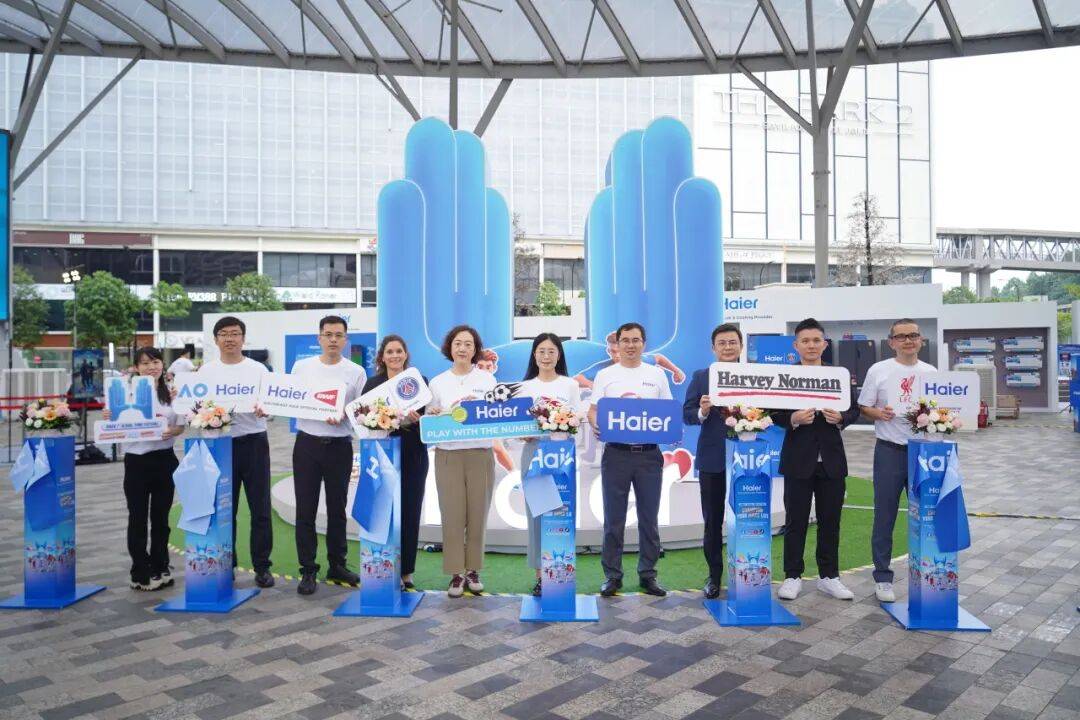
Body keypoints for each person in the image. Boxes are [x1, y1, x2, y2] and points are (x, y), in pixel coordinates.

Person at [772, 318, 861, 602]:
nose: (811, 345)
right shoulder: (785, 376)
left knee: (830, 521)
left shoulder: (839, 376)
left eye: (816, 340)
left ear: (824, 344)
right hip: (798, 460)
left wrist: (842, 418)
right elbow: (772, 412)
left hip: (832, 460)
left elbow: (854, 409)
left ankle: (829, 576)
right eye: (805, 341)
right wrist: (793, 419)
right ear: (796, 345)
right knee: (795, 521)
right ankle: (792, 576)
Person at [588, 322, 672, 598]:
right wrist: (595, 423)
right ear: (618, 344)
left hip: (649, 455)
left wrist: (671, 428)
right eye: (625, 340)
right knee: (614, 518)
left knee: (649, 517)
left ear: (643, 343)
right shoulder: (605, 375)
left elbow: (667, 412)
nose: (631, 345)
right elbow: (593, 410)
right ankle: (612, 576)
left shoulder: (657, 375)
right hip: (616, 454)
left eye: (636, 340)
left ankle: (648, 574)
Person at [858, 319, 936, 603]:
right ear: (891, 342)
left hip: (924, 453)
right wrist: (879, 414)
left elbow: (942, 410)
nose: (908, 341)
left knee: (927, 515)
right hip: (889, 451)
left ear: (921, 340)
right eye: (901, 336)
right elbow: (864, 406)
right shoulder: (878, 370)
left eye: (913, 335)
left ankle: (929, 573)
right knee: (885, 516)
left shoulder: (931, 373)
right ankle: (882, 577)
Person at [291, 315, 367, 596]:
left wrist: (345, 415)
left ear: (345, 339)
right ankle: (308, 569)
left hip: (339, 446)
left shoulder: (355, 372)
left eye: (338, 335)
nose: (333, 339)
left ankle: (337, 565)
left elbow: (361, 411)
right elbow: (290, 399)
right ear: (319, 338)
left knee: (337, 509)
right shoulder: (302, 367)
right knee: (305, 510)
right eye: (328, 334)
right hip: (307, 445)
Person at [199, 316, 275, 588]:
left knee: (260, 509)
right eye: (224, 334)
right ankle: (225, 564)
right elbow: (194, 409)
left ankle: (262, 567)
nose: (229, 338)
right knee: (223, 509)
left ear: (243, 338)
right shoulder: (205, 372)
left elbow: (272, 403)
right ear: (215, 339)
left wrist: (266, 409)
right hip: (220, 445)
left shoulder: (259, 369)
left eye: (234, 333)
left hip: (254, 443)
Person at [427, 325, 497, 597]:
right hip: (448, 455)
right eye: (458, 343)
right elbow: (430, 417)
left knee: (478, 514)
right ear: (450, 347)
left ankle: (473, 570)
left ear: (475, 349)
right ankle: (456, 573)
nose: (463, 348)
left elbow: (497, 415)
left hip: (480, 453)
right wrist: (434, 412)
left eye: (468, 344)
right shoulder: (438, 382)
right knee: (452, 515)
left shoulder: (488, 381)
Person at [108, 347, 185, 591]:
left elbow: (180, 426)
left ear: (162, 364)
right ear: (136, 368)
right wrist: (110, 415)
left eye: (155, 362)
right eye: (145, 363)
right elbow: (115, 424)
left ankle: (161, 565)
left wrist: (171, 431)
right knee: (137, 518)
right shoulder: (125, 392)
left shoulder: (172, 393)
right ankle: (140, 570)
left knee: (161, 519)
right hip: (136, 462)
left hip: (164, 460)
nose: (151, 367)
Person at [517, 333, 582, 597]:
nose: (546, 356)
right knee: (538, 517)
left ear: (559, 355)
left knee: (561, 514)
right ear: (534, 355)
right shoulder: (523, 387)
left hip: (562, 455)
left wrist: (567, 424)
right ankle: (540, 577)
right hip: (534, 453)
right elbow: (516, 425)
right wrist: (523, 434)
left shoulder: (570, 385)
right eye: (541, 351)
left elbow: (577, 419)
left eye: (551, 351)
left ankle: (561, 573)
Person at [361, 334, 428, 591]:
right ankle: (383, 570)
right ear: (382, 356)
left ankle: (406, 571)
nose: (395, 355)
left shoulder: (418, 381)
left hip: (413, 455)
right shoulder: (372, 384)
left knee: (410, 512)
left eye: (399, 351)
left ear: (405, 354)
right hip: (382, 455)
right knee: (384, 514)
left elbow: (429, 419)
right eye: (390, 351)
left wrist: (418, 420)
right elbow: (363, 421)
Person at [682, 323, 743, 600]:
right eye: (722, 343)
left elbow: (769, 411)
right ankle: (714, 576)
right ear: (713, 348)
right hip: (712, 458)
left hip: (748, 459)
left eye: (732, 342)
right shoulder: (701, 377)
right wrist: (703, 411)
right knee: (713, 521)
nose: (728, 347)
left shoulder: (755, 375)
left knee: (748, 517)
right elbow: (687, 414)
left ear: (741, 346)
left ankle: (747, 573)